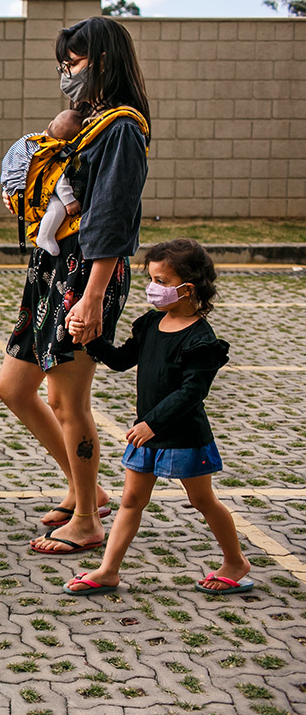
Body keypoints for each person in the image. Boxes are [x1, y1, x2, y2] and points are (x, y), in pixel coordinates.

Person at [0, 16, 151, 554]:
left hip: (88, 270)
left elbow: (112, 218)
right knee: (14, 388)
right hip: (53, 264)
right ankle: (90, 491)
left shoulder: (122, 129)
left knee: (66, 399)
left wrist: (92, 297)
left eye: (75, 61)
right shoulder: (89, 122)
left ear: (102, 61)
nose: (67, 72)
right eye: (63, 63)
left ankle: (87, 518)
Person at [63, 239, 250, 595]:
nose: (152, 288)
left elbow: (191, 393)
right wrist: (89, 339)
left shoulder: (201, 341)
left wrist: (152, 424)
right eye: (151, 279)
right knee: (131, 501)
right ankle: (107, 571)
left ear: (187, 289)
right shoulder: (150, 323)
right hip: (146, 434)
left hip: (183, 436)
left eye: (161, 281)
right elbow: (121, 360)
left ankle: (235, 561)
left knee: (202, 500)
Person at [0, 109, 86, 256]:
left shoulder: (30, 141)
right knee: (57, 209)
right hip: (32, 195)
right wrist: (70, 202)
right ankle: (45, 236)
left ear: (50, 124)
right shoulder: (54, 152)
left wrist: (9, 187)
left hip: (15, 189)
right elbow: (58, 180)